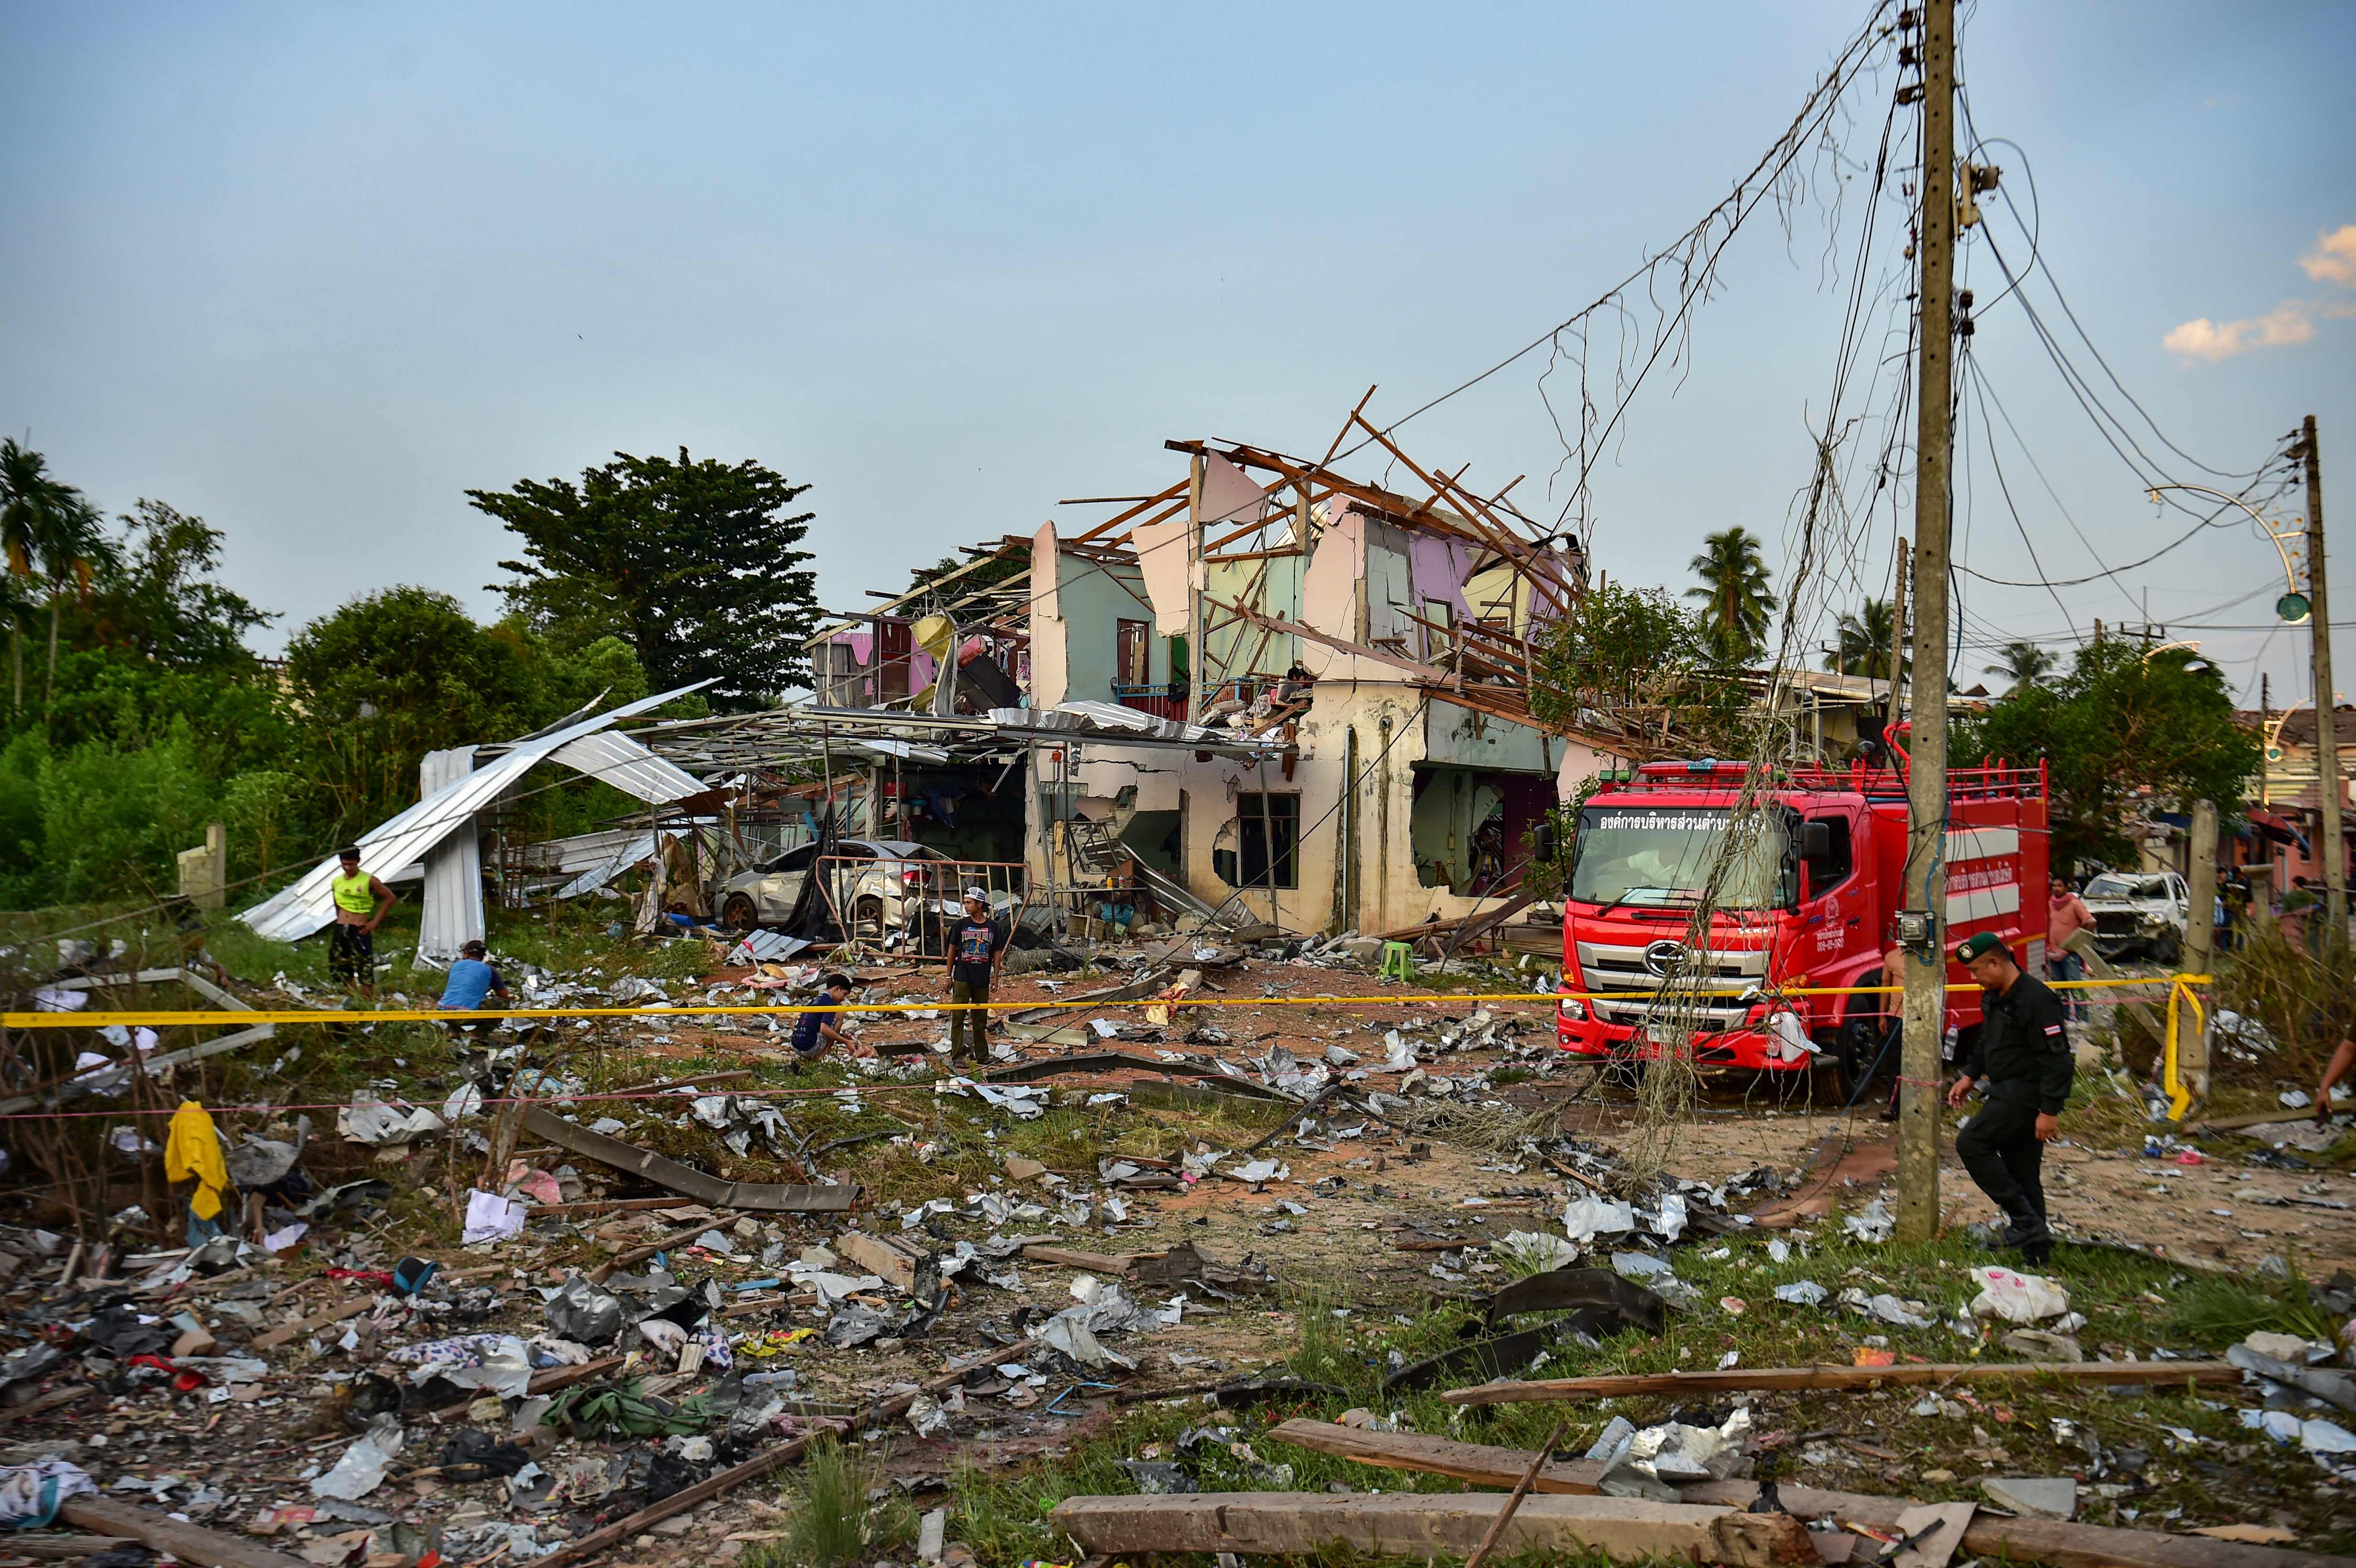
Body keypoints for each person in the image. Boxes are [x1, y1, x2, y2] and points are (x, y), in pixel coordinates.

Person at [1946, 931, 2073, 1263]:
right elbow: (1988, 1041)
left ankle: (2024, 1220)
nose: (1975, 979)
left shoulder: (2036, 999)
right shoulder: (1994, 995)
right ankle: (2038, 1254)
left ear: (1996, 962)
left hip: (2025, 1093)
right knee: (2023, 1173)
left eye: (1976, 970)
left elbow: (2057, 1058)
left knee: (1972, 1143)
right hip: (2003, 1087)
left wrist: (2050, 1110)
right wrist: (1971, 1076)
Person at [945, 888, 1009, 1068]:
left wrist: (996, 976)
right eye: (965, 903)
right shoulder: (960, 925)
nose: (966, 906)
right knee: (958, 1016)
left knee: (980, 1019)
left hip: (982, 978)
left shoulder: (993, 927)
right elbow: (952, 951)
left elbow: (997, 952)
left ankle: (982, 1055)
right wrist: (949, 975)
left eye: (969, 903)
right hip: (962, 977)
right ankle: (957, 1055)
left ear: (979, 905)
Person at [327, 845, 396, 995]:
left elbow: (390, 898)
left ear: (358, 862)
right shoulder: (337, 882)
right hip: (341, 926)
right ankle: (352, 999)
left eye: (351, 864)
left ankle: (366, 1003)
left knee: (364, 967)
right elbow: (337, 903)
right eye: (344, 864)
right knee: (341, 966)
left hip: (359, 928)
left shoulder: (368, 880)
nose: (348, 868)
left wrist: (375, 922)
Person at [435, 940, 512, 1038]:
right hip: (467, 1016)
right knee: (502, 1004)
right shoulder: (489, 970)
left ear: (466, 954)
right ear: (483, 956)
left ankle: (453, 1031)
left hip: (443, 1013)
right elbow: (504, 995)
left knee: (455, 1000)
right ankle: (478, 1034)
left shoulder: (455, 966)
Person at [788, 973, 870, 1064]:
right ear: (837, 989)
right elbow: (824, 1029)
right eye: (844, 994)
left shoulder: (817, 1000)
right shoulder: (831, 1004)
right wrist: (846, 1042)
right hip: (809, 1048)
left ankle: (812, 1057)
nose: (843, 999)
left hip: (795, 1045)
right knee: (839, 1015)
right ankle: (824, 1054)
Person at [2046, 876, 2094, 1022]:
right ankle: (2065, 1018)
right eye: (2054, 886)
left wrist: (2078, 940)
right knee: (2060, 989)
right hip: (2054, 953)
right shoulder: (2051, 903)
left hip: (2070, 954)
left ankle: (2083, 1019)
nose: (2057, 889)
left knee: (2076, 987)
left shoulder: (2074, 903)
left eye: (2060, 886)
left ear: (2066, 887)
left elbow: (2090, 921)